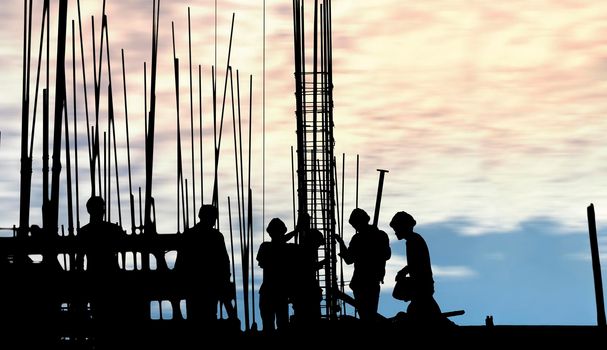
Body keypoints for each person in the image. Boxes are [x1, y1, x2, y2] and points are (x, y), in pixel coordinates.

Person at [75, 196, 126, 343]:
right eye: (101, 206)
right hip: (108, 278)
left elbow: (79, 261)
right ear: (92, 210)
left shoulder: (84, 232)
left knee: (100, 316)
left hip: (96, 277)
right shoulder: (112, 229)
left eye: (103, 206)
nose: (103, 210)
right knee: (109, 317)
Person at [175, 204, 235, 326]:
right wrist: (225, 278)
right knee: (209, 316)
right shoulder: (215, 236)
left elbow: (180, 261)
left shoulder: (189, 234)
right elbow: (224, 260)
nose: (214, 220)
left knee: (197, 316)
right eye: (213, 217)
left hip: (197, 284)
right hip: (205, 283)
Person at [334, 208, 391, 322]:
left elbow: (349, 259)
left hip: (364, 281)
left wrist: (342, 244)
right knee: (369, 314)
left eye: (355, 225)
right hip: (370, 281)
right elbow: (387, 255)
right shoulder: (379, 235)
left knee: (367, 315)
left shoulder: (360, 238)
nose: (355, 228)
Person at [389, 211, 443, 326]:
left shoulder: (414, 240)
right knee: (429, 312)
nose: (395, 232)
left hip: (422, 286)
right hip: (422, 286)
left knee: (429, 313)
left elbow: (416, 263)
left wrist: (403, 273)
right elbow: (415, 262)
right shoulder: (413, 240)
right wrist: (403, 271)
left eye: (396, 228)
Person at [287, 213, 325, 328]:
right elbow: (306, 268)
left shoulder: (302, 247)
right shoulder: (300, 249)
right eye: (317, 245)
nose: (318, 247)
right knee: (307, 318)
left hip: (304, 290)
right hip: (304, 290)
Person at [257, 218, 293, 333]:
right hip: (279, 292)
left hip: (270, 292)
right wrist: (297, 230)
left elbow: (280, 243)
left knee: (271, 326)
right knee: (280, 325)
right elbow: (280, 243)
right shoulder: (282, 248)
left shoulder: (266, 247)